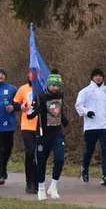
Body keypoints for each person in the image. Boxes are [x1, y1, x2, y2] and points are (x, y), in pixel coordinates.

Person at [26, 69, 68, 200]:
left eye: (58, 86)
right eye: (53, 85)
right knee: (41, 162)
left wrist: (63, 118)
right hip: (43, 134)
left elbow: (58, 111)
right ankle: (41, 187)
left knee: (60, 158)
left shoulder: (60, 95)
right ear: (48, 85)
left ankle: (54, 185)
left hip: (57, 133)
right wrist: (36, 110)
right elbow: (29, 115)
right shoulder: (39, 97)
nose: (56, 88)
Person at [74, 67, 106, 185]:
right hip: (91, 125)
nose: (98, 78)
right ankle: (85, 170)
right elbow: (78, 105)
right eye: (96, 76)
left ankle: (105, 174)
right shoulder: (85, 91)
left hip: (105, 124)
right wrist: (87, 112)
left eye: (100, 76)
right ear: (92, 78)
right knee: (90, 149)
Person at [13, 69, 40, 194]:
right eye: (30, 74)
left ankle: (38, 182)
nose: (32, 76)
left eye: (34, 75)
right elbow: (15, 104)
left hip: (40, 126)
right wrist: (20, 106)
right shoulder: (23, 89)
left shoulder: (42, 89)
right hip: (27, 126)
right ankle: (29, 182)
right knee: (30, 153)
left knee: (39, 155)